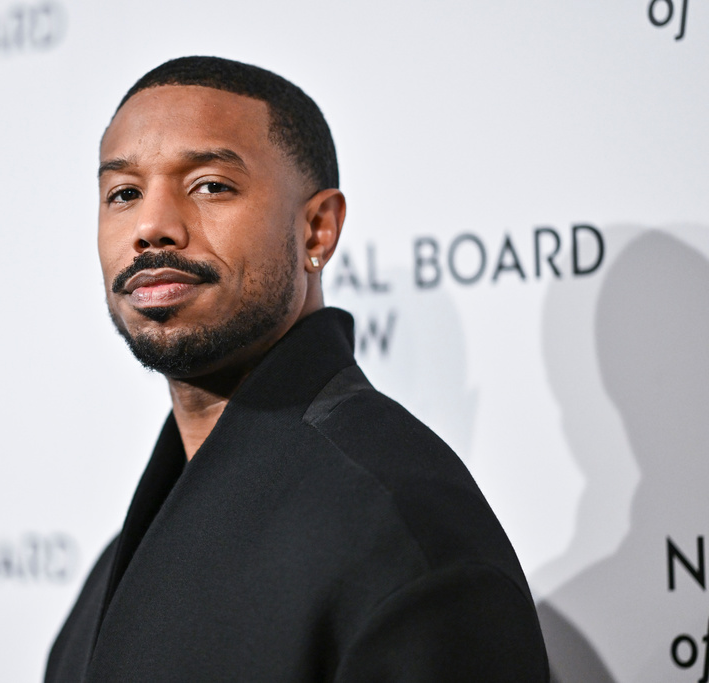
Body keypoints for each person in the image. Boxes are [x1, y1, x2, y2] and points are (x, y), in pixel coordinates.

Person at [45, 56, 549, 682]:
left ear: (317, 229)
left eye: (210, 186)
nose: (152, 227)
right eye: (124, 194)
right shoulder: (124, 561)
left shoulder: (400, 528)